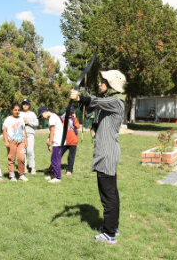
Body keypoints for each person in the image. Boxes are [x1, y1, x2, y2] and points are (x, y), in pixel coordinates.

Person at [70, 70, 126, 244]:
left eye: (103, 81)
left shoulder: (115, 101)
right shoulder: (110, 103)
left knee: (107, 195)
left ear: (111, 84)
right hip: (107, 152)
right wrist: (81, 104)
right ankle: (112, 227)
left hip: (107, 154)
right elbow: (91, 109)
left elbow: (95, 101)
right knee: (111, 193)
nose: (100, 83)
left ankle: (109, 234)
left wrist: (80, 98)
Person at [2, 103, 28, 182]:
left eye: (19, 110)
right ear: (11, 110)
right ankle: (12, 175)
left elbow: (24, 130)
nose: (17, 111)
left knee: (21, 158)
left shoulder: (21, 119)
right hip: (12, 141)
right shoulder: (8, 119)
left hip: (21, 141)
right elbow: (4, 130)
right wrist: (6, 141)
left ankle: (21, 174)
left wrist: (26, 141)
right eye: (15, 110)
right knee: (11, 158)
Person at [38, 106, 63, 183]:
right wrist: (48, 139)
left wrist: (49, 143)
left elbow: (52, 132)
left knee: (55, 160)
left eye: (41, 115)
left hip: (58, 142)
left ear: (44, 112)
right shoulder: (54, 117)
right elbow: (52, 131)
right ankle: (55, 175)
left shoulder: (52, 118)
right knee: (55, 159)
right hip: (59, 141)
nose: (42, 117)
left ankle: (57, 177)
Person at [19, 99, 39, 175]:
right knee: (23, 151)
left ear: (29, 105)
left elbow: (36, 123)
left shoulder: (32, 114)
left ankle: (33, 168)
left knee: (30, 150)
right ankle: (25, 167)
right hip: (21, 134)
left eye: (27, 104)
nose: (25, 105)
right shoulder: (19, 114)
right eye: (23, 104)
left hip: (30, 134)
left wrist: (28, 122)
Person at [60, 106, 80, 175]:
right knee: (58, 154)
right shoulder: (62, 118)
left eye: (72, 112)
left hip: (73, 141)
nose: (71, 113)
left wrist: (74, 118)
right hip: (64, 141)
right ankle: (52, 167)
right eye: (69, 112)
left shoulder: (74, 119)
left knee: (71, 157)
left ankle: (69, 170)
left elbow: (77, 126)